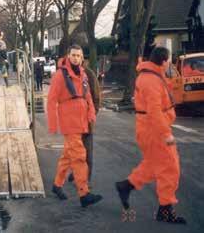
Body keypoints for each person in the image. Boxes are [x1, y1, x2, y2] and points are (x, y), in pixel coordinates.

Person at [115, 47, 186, 224]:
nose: (169, 63)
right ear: (163, 61)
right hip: (155, 130)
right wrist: (166, 133)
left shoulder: (150, 76)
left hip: (149, 128)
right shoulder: (151, 80)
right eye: (169, 60)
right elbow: (154, 111)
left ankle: (127, 186)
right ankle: (165, 209)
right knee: (170, 168)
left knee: (154, 165)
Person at [47, 44, 102, 208]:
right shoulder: (59, 76)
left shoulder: (83, 75)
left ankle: (57, 185)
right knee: (79, 157)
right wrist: (52, 124)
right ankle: (84, 193)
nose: (76, 58)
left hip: (82, 121)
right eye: (73, 55)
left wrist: (91, 114)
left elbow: (88, 97)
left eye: (79, 55)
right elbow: (51, 101)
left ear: (82, 57)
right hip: (69, 122)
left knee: (67, 157)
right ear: (68, 56)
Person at [67, 60, 101, 183]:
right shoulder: (68, 74)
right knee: (74, 150)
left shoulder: (89, 74)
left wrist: (92, 115)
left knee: (86, 152)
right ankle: (76, 172)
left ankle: (86, 179)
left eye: (77, 55)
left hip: (86, 120)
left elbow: (96, 97)